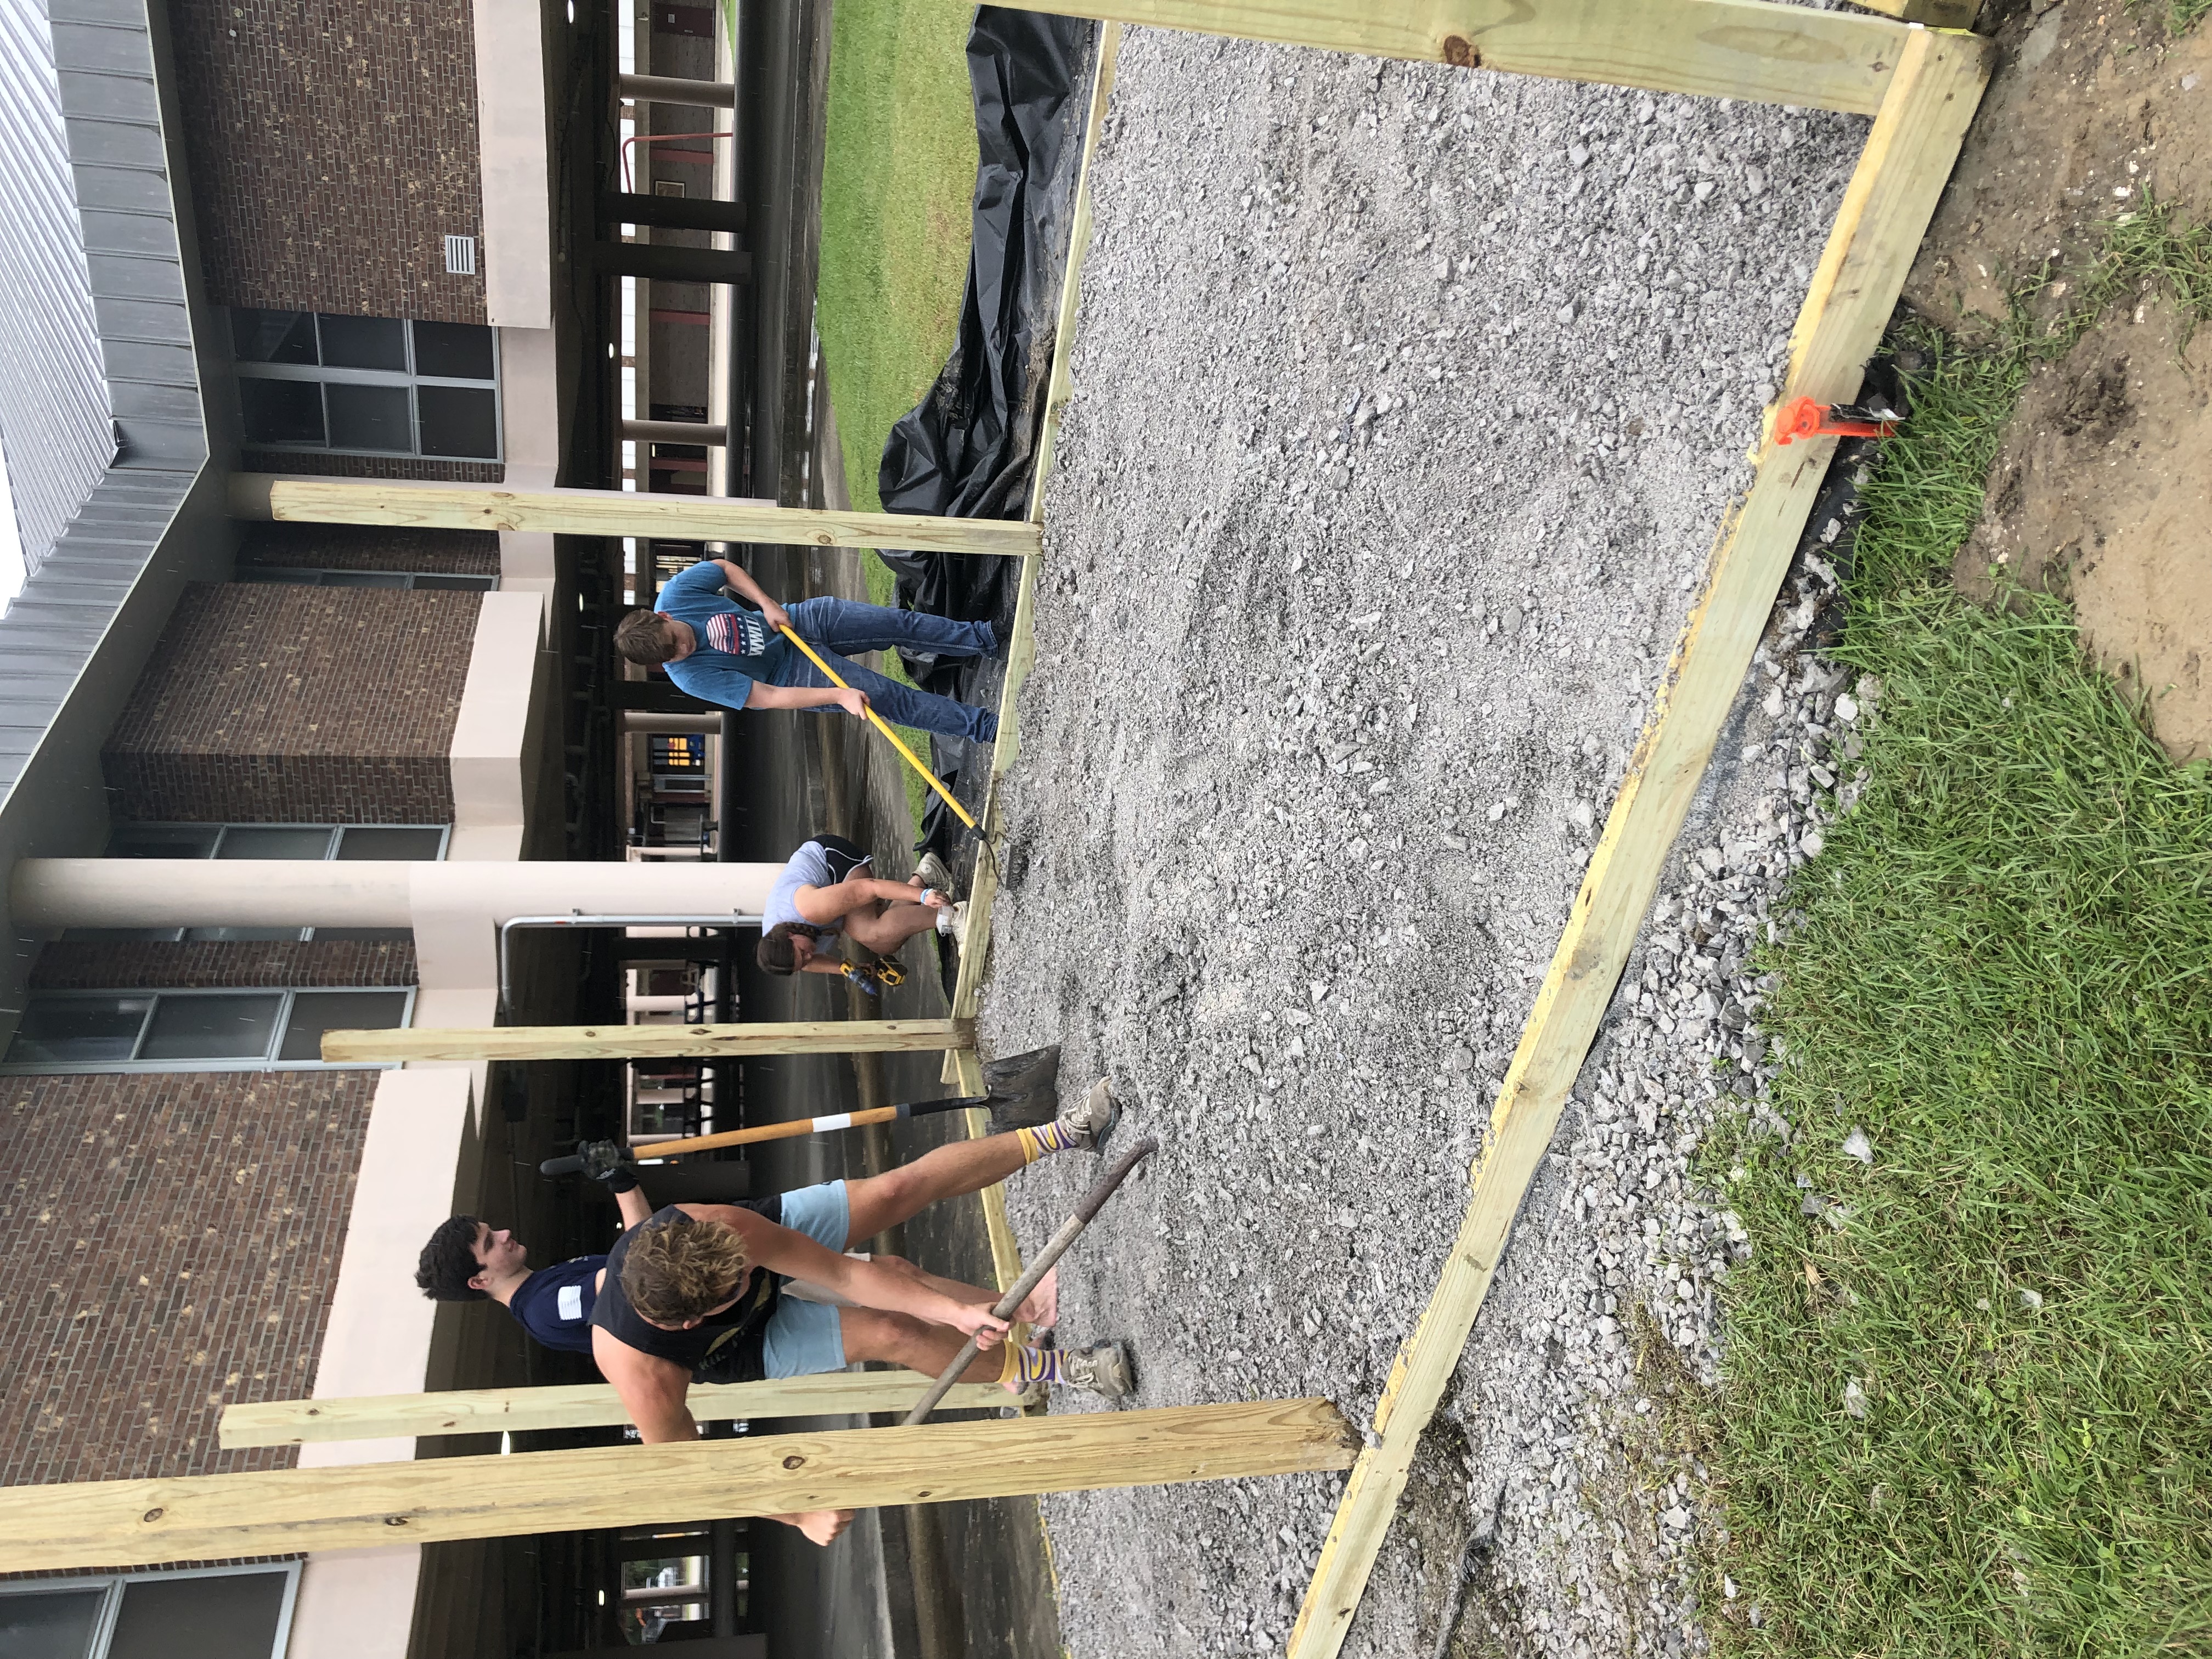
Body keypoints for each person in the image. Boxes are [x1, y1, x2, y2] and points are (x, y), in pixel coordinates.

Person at [592, 1084, 1132, 1547]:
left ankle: (1062, 1133)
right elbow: (699, 1474)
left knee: (895, 1191)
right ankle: (1055, 1370)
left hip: (738, 1258)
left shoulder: (714, 1231)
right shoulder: (646, 1376)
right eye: (738, 1283)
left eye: (745, 1263)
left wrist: (954, 1312)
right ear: (693, 1320)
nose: (751, 1271)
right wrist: (798, 1515)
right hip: (734, 1345)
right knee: (890, 1332)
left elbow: (844, 1275)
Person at [614, 557, 1000, 743]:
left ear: (665, 616)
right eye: (672, 655)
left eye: (675, 638)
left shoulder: (677, 594)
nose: (682, 648)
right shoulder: (690, 678)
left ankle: (985, 639)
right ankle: (986, 728)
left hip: (796, 621)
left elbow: (724, 570)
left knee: (898, 624)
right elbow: (769, 697)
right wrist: (839, 696)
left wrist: (766, 604)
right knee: (889, 697)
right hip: (789, 675)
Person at [415, 1172, 654, 1353]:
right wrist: (623, 1187)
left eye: (493, 1231)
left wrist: (623, 1182)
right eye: (490, 1243)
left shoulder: (543, 1288)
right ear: (480, 1281)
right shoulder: (544, 1308)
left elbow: (645, 1257)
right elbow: (638, 1274)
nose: (505, 1234)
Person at [758, 834, 967, 972]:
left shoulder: (808, 908)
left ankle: (955, 914)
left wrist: (923, 896)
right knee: (886, 944)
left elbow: (868, 888)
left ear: (790, 935)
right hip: (828, 890)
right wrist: (850, 970)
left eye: (803, 953)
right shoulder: (783, 953)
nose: (809, 956)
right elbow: (807, 964)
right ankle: (927, 872)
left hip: (835, 862)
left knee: (870, 931)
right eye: (803, 961)